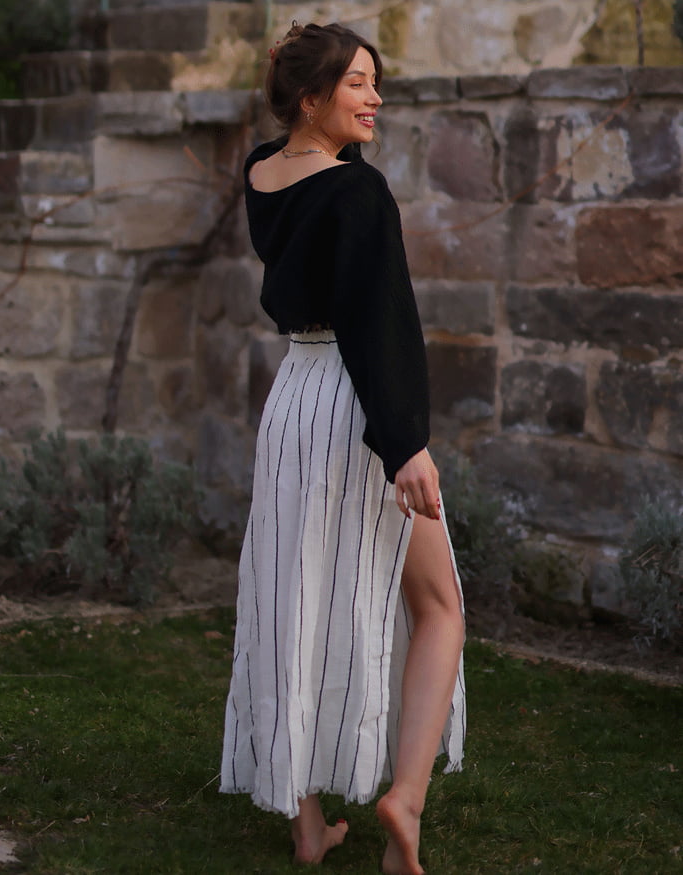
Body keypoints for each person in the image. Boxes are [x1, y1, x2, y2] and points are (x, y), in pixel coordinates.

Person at [220, 22, 466, 875]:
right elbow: (379, 327)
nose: (376, 98)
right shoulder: (360, 197)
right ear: (311, 96)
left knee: (294, 605)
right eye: (358, 84)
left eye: (377, 83)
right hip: (357, 405)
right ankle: (405, 797)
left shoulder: (261, 168)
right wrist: (406, 445)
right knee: (440, 607)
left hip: (293, 400)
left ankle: (307, 827)